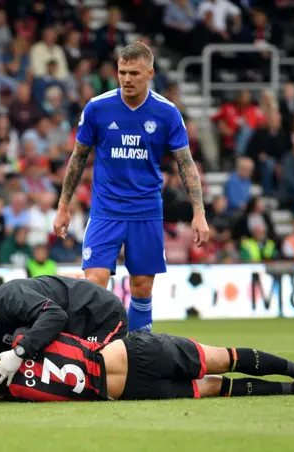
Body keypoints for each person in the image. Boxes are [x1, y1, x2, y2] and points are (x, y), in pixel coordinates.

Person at [53, 41, 209, 332]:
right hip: (105, 211)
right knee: (95, 282)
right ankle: (94, 349)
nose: (126, 79)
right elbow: (77, 158)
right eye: (122, 72)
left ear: (150, 73)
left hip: (146, 211)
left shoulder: (167, 112)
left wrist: (198, 212)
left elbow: (185, 164)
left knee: (141, 287)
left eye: (134, 73)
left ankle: (139, 352)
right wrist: (63, 207)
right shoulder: (98, 108)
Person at [0, 329, 294, 402]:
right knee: (217, 376)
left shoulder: (18, 355)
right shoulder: (10, 380)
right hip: (132, 376)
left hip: (132, 368)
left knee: (218, 369)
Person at [0, 275, 128, 388]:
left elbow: (55, 315)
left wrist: (20, 352)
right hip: (72, 326)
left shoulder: (8, 297)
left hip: (99, 314)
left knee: (103, 373)